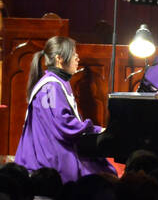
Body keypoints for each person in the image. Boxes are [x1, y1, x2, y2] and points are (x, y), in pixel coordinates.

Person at [15, 37, 115, 182]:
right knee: (101, 175)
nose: (77, 58)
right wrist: (93, 129)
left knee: (102, 168)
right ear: (59, 59)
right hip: (49, 154)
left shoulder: (57, 82)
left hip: (51, 146)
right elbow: (64, 125)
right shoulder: (51, 87)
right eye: (74, 54)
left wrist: (95, 129)